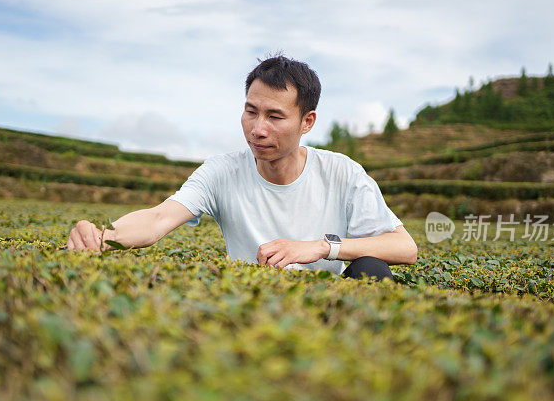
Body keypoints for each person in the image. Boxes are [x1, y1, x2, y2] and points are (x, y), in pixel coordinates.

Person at [66, 55, 417, 281]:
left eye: (274, 116)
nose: (257, 128)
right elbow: (159, 218)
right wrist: (102, 237)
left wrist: (322, 247)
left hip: (330, 306)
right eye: (251, 111)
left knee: (371, 269)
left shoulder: (343, 172)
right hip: (252, 301)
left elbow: (405, 247)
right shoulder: (221, 172)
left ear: (307, 121)